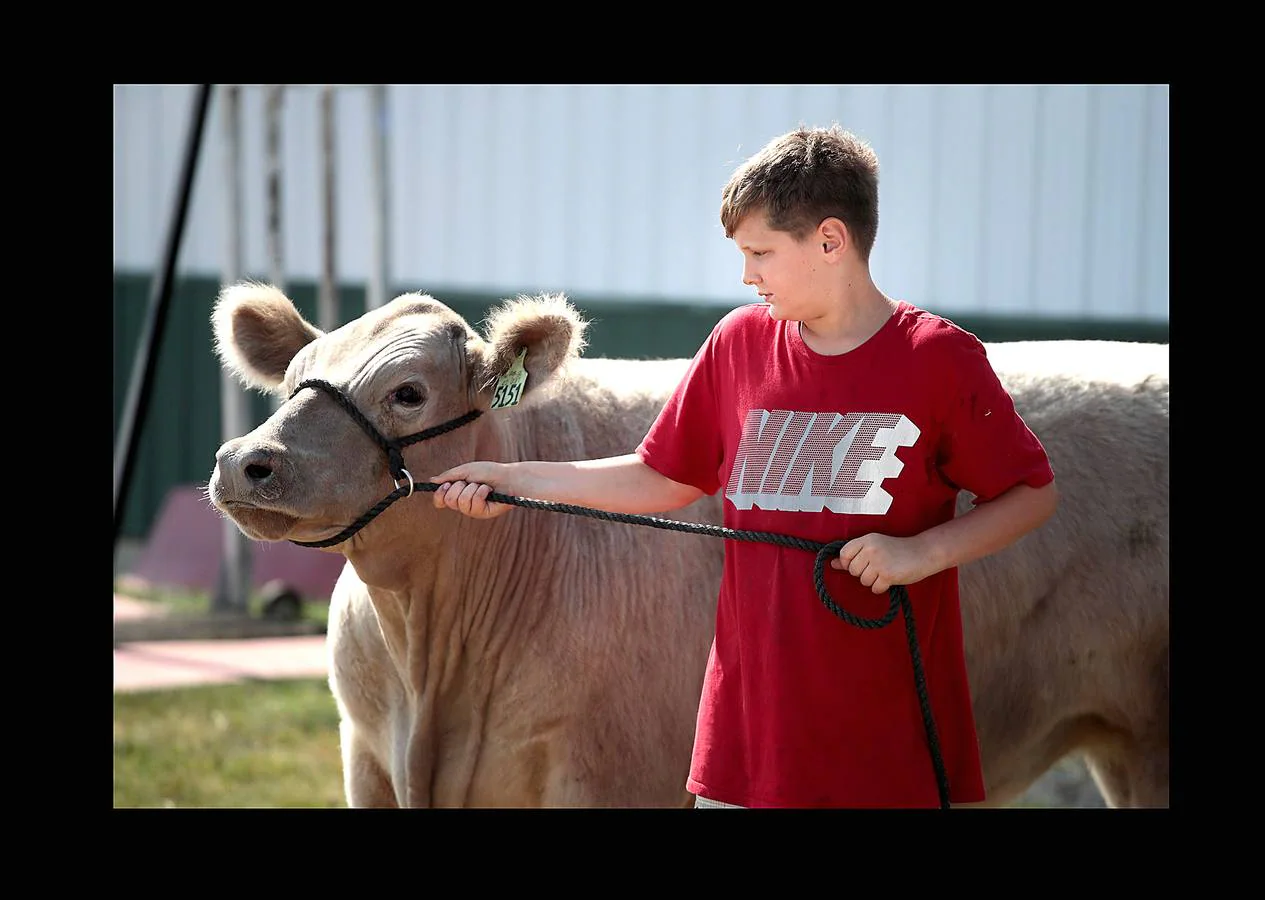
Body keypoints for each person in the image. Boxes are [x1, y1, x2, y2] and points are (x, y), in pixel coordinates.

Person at [430, 124, 1058, 809]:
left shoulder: (938, 358)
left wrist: (922, 552)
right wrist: (511, 480)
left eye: (760, 252)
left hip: (888, 743)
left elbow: (1030, 494)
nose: (745, 274)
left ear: (829, 240)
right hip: (746, 742)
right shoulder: (737, 343)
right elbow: (660, 476)